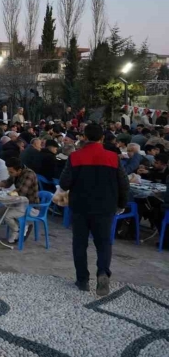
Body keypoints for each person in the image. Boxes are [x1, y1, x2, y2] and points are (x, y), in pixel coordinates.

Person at [59, 123, 129, 296]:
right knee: (104, 244)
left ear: (84, 137)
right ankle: (103, 273)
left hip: (81, 207)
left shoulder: (75, 157)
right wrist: (121, 204)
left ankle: (82, 279)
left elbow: (64, 183)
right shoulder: (113, 158)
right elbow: (124, 184)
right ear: (102, 138)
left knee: (80, 244)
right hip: (105, 208)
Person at [0, 158, 39, 243]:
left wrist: (7, 194)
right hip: (19, 202)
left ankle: (17, 230)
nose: (9, 173)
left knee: (8, 216)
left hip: (30, 206)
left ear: (19, 170)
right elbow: (7, 183)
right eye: (8, 171)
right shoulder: (15, 173)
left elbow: (21, 192)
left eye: (11, 172)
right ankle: (22, 226)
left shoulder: (29, 175)